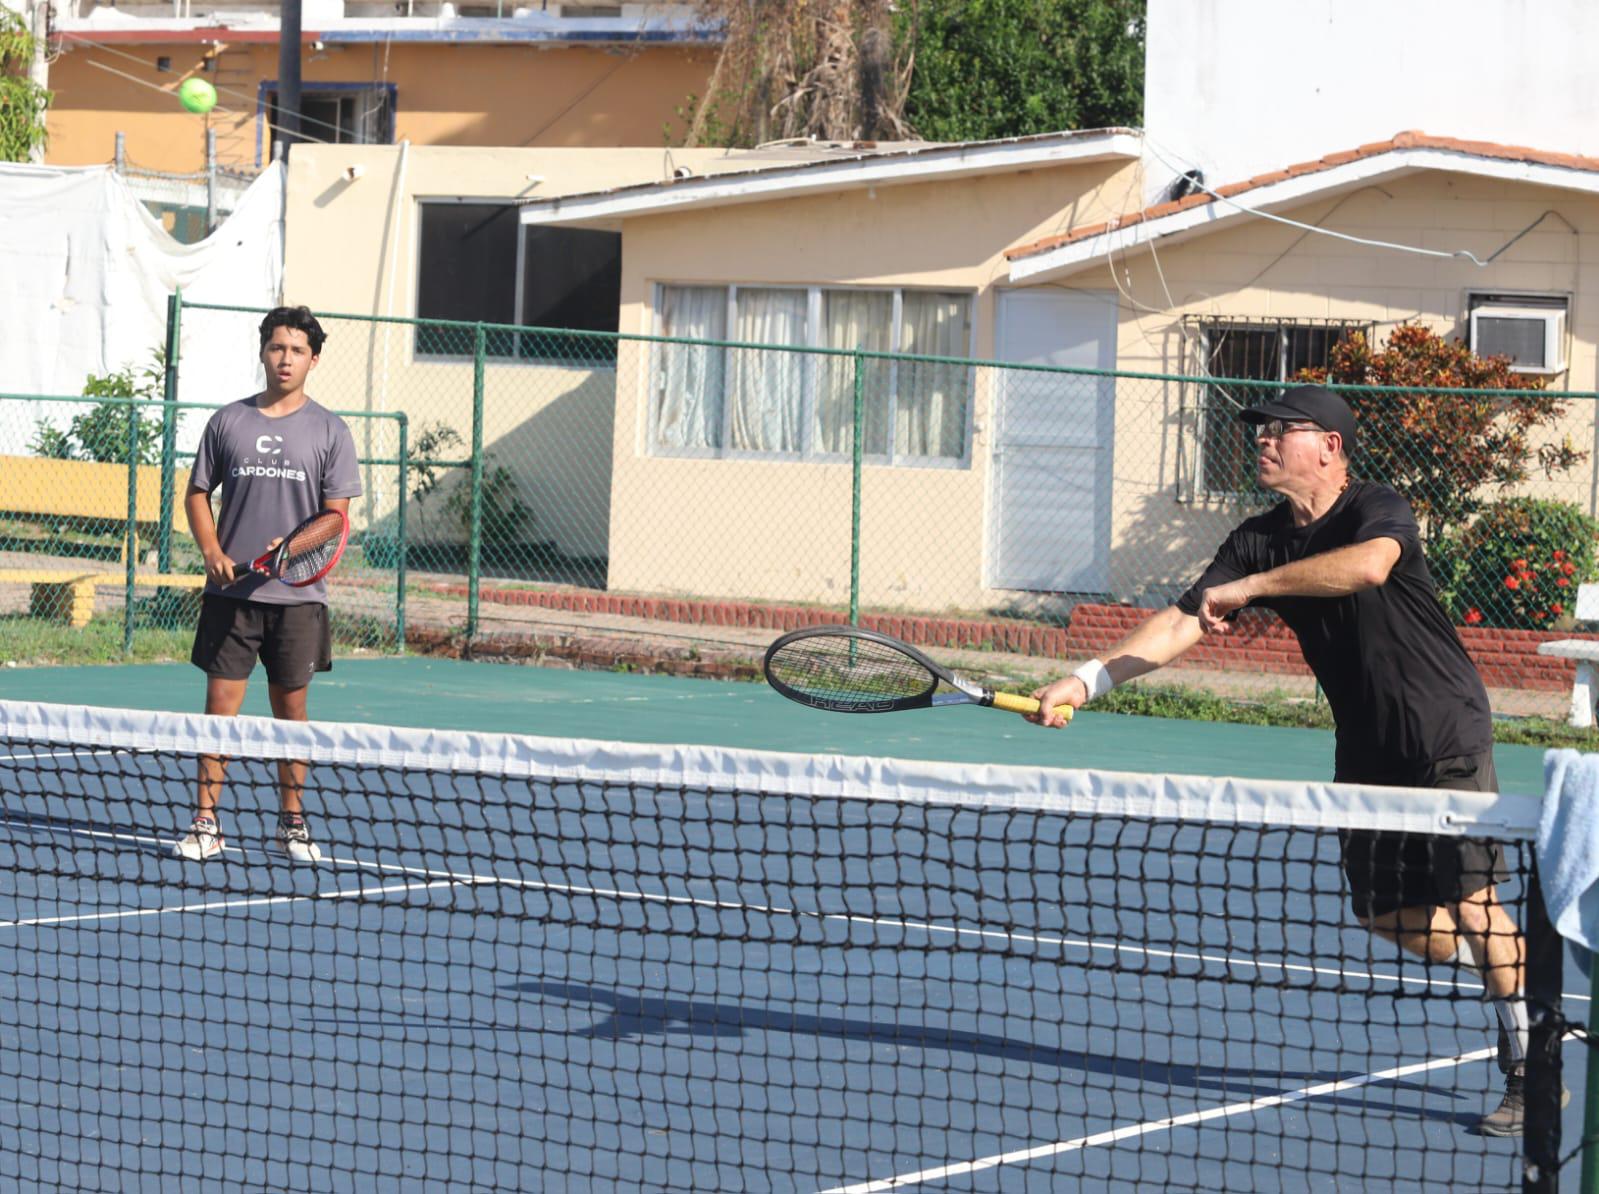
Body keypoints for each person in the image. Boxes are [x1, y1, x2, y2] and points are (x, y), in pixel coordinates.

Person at [1027, 384, 1545, 1136]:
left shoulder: (1376, 506)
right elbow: (1183, 621)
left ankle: (1530, 1066)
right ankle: (1522, 971)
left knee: (1471, 899)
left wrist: (1252, 588)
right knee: (1385, 917)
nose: (1261, 440)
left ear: (1328, 446)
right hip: (1363, 747)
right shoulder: (1257, 536)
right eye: (1258, 431)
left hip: (1442, 731)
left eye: (1278, 429)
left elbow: (1366, 568)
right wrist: (1086, 679)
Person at [174, 305, 362, 865]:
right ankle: (206, 823)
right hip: (231, 597)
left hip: (298, 600)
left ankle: (292, 824)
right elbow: (197, 493)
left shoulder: (331, 430)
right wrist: (211, 551)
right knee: (219, 711)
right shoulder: (228, 422)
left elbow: (334, 519)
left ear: (314, 359)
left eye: (298, 350)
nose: (286, 358)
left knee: (291, 716)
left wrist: (290, 551)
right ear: (263, 352)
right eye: (277, 347)